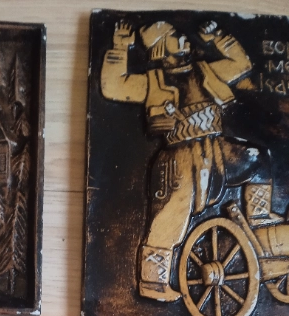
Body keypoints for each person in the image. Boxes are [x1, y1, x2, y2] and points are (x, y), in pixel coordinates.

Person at [101, 20, 283, 301]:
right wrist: (120, 46)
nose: (183, 38)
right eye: (174, 36)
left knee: (256, 159)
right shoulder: (153, 81)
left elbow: (242, 65)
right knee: (171, 215)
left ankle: (258, 218)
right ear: (160, 46)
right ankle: (153, 281)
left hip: (217, 149)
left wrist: (217, 37)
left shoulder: (206, 70)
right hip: (180, 156)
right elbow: (113, 86)